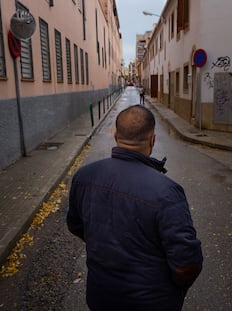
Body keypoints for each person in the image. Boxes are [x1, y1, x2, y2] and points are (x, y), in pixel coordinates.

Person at [67, 105, 203, 311]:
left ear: (115, 136)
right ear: (152, 140)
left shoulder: (84, 176)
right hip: (151, 302)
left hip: (100, 296)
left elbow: (75, 225)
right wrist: (174, 289)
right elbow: (186, 263)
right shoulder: (166, 191)